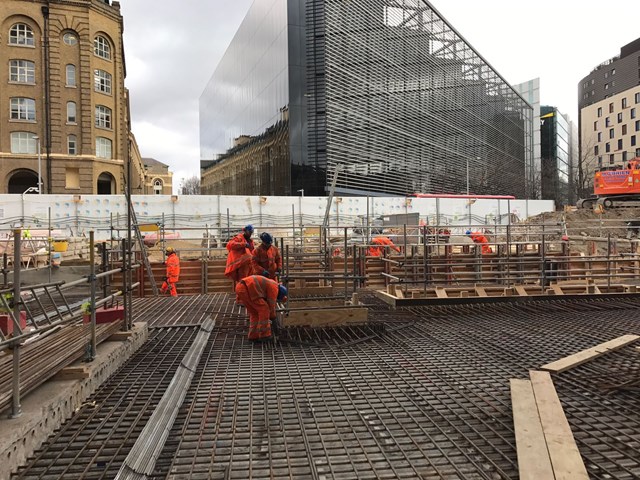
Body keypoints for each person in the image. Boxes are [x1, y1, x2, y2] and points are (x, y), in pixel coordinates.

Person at [235, 275, 288, 342]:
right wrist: (274, 319)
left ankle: (253, 336)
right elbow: (271, 307)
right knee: (264, 309)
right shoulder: (274, 288)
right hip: (247, 288)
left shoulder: (272, 284)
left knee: (255, 313)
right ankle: (265, 335)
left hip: (240, 288)